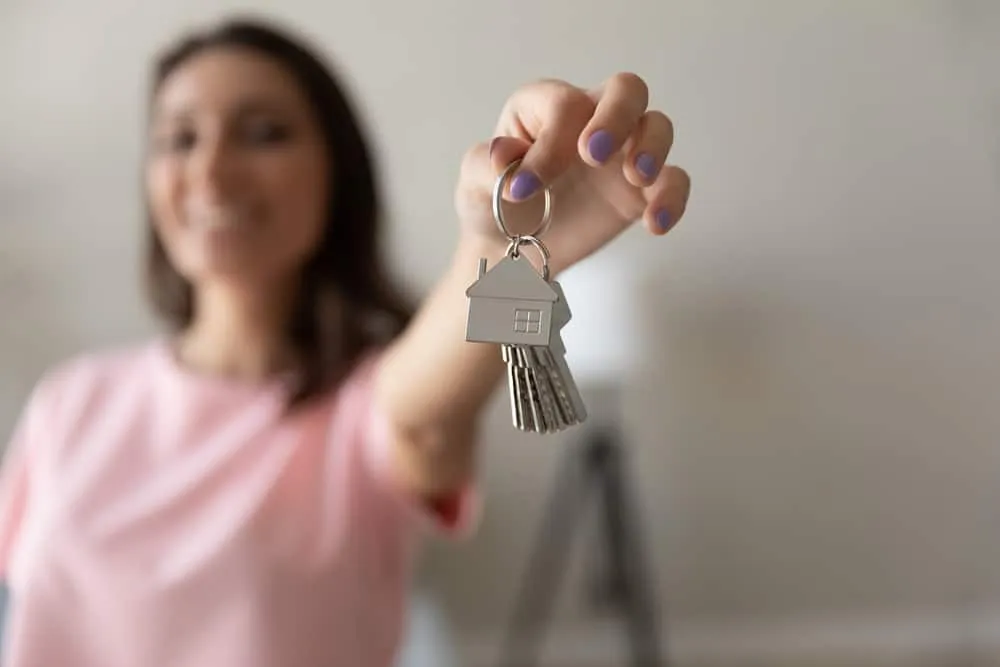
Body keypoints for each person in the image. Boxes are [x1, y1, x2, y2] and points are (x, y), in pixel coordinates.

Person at [0, 15, 690, 667]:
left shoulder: (361, 411)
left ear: (338, 173)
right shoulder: (69, 401)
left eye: (263, 132)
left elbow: (425, 413)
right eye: (179, 138)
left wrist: (500, 244)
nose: (209, 172)